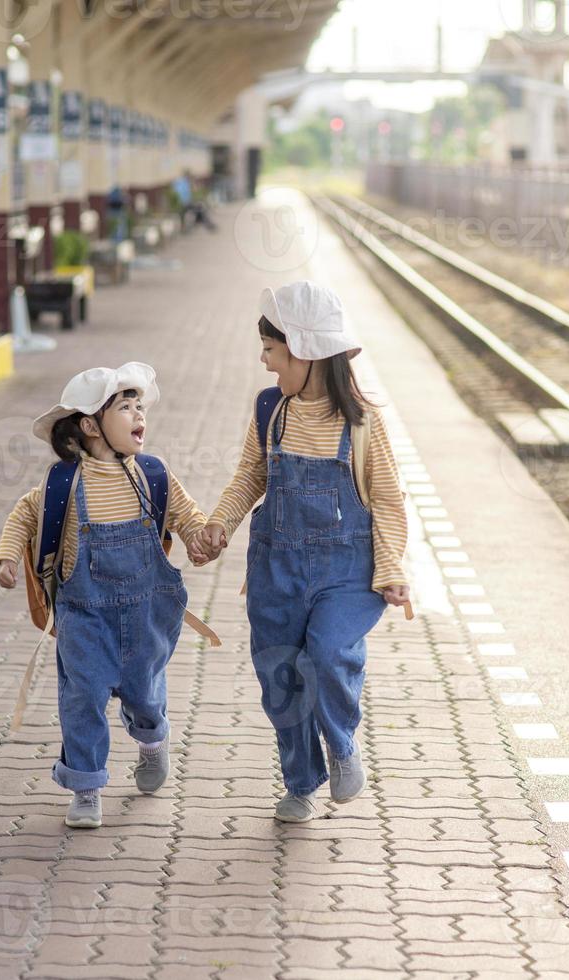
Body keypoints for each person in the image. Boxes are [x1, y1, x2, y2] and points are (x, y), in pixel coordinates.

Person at [198, 281, 410, 823]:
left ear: (305, 350)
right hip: (275, 568)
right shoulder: (272, 409)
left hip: (346, 571)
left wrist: (390, 567)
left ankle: (341, 747)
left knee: (328, 653)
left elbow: (385, 499)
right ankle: (299, 783)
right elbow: (251, 474)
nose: (264, 361)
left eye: (271, 349)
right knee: (281, 676)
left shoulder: (362, 423)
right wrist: (222, 521)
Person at [0, 363, 211, 829]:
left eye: (139, 406)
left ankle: (152, 738)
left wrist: (198, 536)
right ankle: (87, 785)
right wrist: (8, 558)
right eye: (125, 407)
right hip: (83, 616)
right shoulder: (63, 484)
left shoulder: (153, 476)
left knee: (145, 692)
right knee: (83, 696)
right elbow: (23, 518)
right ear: (91, 426)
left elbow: (186, 513)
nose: (138, 415)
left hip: (146, 614)